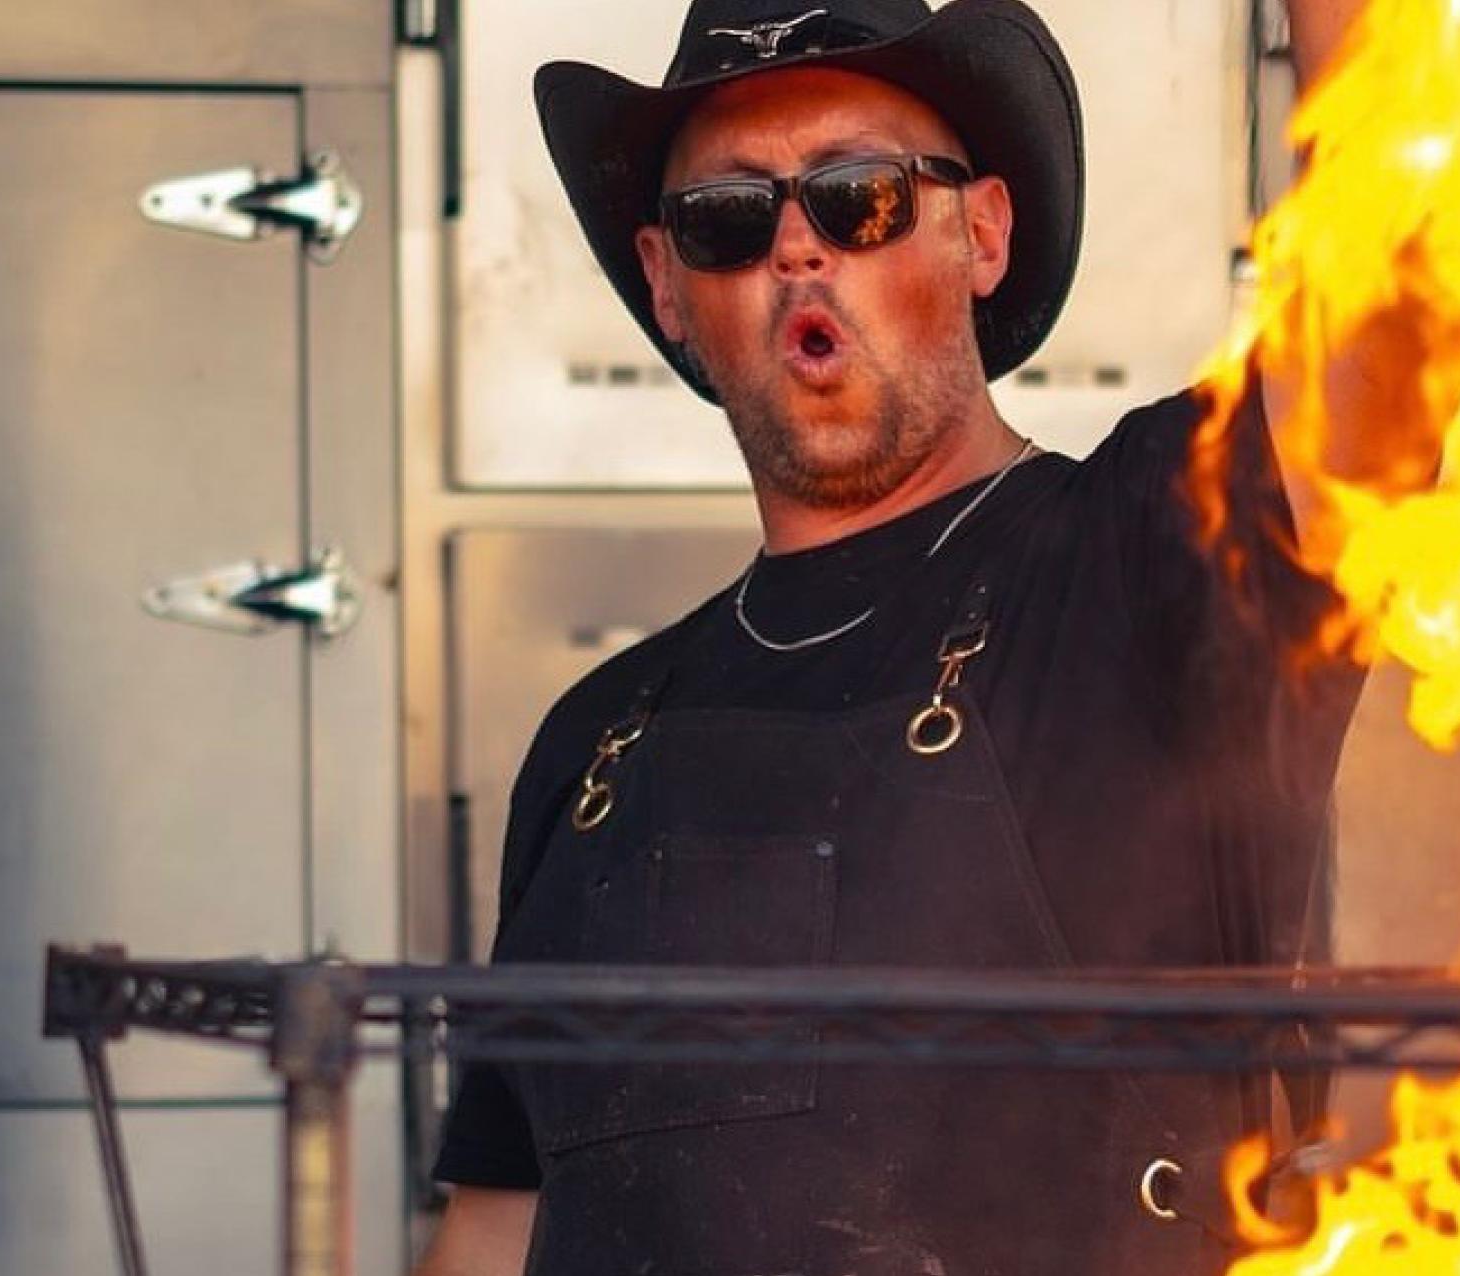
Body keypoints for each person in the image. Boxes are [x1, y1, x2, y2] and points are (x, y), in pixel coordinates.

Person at [411, 2, 1393, 1273]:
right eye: (728, 218)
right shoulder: (594, 745)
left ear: (981, 232)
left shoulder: (1147, 565)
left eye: (860, 197)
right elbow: (498, 1223)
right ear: (666, 283)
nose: (797, 249)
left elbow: (1400, 292)